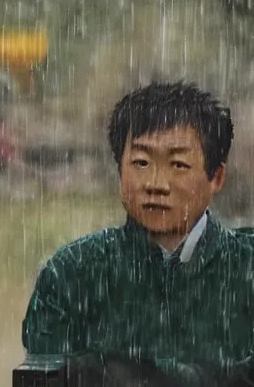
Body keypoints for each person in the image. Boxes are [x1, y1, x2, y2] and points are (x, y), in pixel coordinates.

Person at [20, 81, 254, 386]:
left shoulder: (247, 266)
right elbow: (42, 376)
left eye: (178, 164)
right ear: (119, 170)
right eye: (141, 163)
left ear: (216, 177)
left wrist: (111, 371)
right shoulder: (71, 273)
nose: (156, 183)